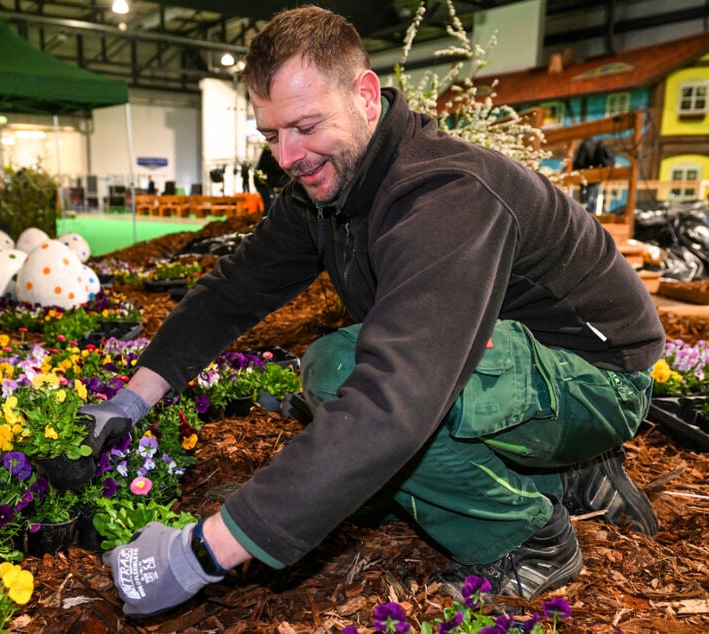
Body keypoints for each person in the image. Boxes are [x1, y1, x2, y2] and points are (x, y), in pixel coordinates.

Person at [78, 5, 665, 618]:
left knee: (339, 371)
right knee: (340, 372)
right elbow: (233, 291)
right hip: (520, 365)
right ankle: (564, 476)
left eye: (305, 125)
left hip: (598, 379)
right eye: (272, 134)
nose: (288, 155)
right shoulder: (330, 182)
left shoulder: (445, 196)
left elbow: (395, 400)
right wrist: (132, 399)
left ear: (364, 95)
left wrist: (199, 553)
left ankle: (530, 537)